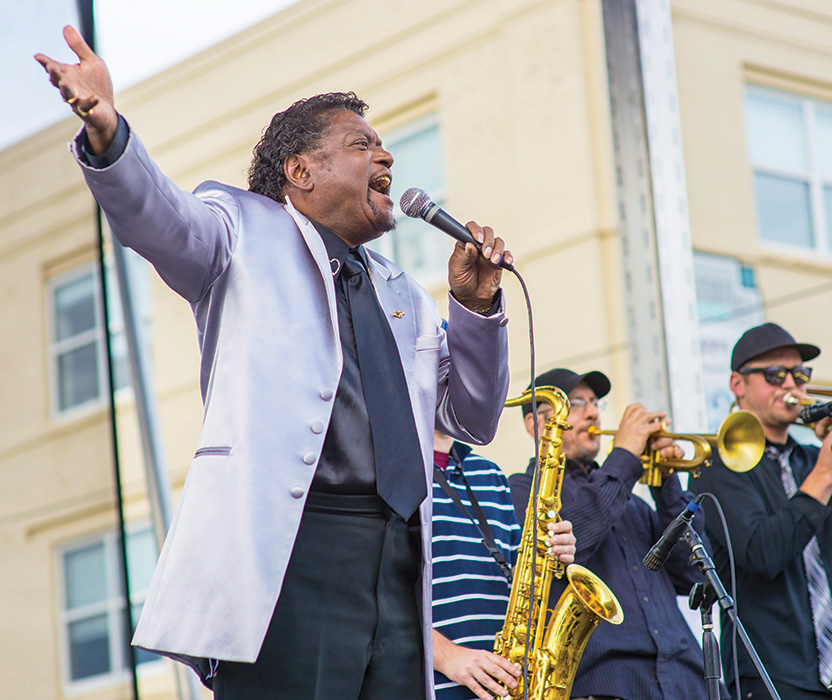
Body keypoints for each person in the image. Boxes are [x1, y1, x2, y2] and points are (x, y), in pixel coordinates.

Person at [36, 26, 513, 700]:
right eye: (361, 144)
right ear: (301, 171)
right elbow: (156, 218)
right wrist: (108, 131)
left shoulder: (402, 290)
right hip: (294, 550)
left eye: (381, 144)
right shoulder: (239, 229)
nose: (386, 156)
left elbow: (472, 415)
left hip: (401, 562)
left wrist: (474, 307)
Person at [688, 322, 832, 700]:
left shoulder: (813, 461)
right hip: (771, 672)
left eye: (800, 375)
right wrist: (825, 475)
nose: (791, 386)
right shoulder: (717, 466)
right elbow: (762, 553)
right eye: (774, 375)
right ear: (738, 384)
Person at [509, 368, 713, 700]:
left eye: (595, 402)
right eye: (577, 403)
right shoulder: (522, 492)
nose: (592, 412)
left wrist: (666, 482)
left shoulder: (631, 502)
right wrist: (624, 458)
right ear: (537, 424)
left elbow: (691, 574)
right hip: (609, 687)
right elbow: (574, 539)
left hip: (686, 681)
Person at [430, 430, 576, 700]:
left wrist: (553, 552)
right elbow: (373, 597)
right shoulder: (389, 472)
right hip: (436, 686)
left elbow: (517, 574)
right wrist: (446, 656)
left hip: (510, 683)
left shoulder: (491, 475)